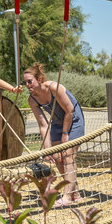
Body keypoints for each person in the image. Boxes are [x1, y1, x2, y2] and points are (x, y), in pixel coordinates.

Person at [24, 63, 85, 204]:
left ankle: (67, 197)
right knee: (58, 158)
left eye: (30, 81)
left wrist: (65, 134)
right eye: (25, 82)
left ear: (39, 79)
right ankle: (75, 193)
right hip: (57, 123)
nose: (27, 85)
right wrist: (48, 150)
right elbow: (43, 125)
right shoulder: (32, 99)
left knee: (68, 155)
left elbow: (69, 110)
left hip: (73, 120)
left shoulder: (53, 87)